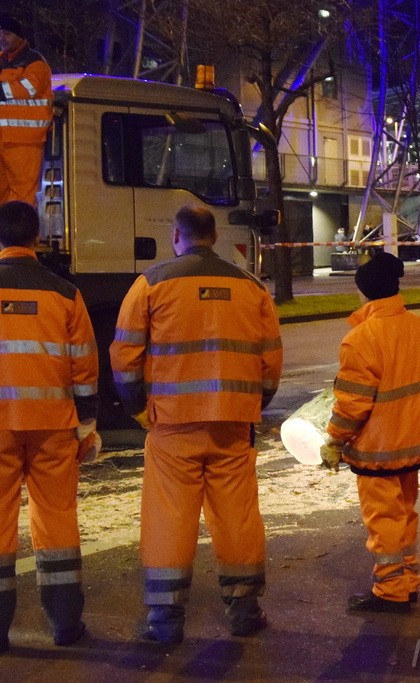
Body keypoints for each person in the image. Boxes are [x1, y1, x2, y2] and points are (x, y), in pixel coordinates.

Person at [109, 206, 283, 644]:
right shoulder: (251, 287)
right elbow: (270, 361)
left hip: (173, 425)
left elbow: (125, 359)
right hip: (232, 424)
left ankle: (165, 620)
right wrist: (250, 405)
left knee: (170, 516)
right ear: (214, 236)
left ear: (176, 236)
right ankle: (245, 608)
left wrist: (137, 410)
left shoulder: (150, 284)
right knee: (237, 515)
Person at [320, 252, 420, 614]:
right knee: (405, 513)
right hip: (415, 445)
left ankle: (391, 590)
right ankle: (407, 581)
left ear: (364, 293)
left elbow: (351, 406)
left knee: (384, 520)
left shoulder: (361, 340)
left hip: (379, 449)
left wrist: (334, 441)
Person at [0, 201, 97, 651]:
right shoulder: (64, 294)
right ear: (37, 237)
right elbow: (83, 369)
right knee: (57, 521)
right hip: (53, 428)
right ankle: (64, 624)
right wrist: (86, 427)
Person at [0, 14, 52, 207]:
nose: (1, 38)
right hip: (4, 139)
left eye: (6, 33)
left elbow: (26, 89)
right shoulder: (2, 60)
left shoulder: (35, 63)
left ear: (19, 36)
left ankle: (23, 236)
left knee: (22, 195)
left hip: (24, 141)